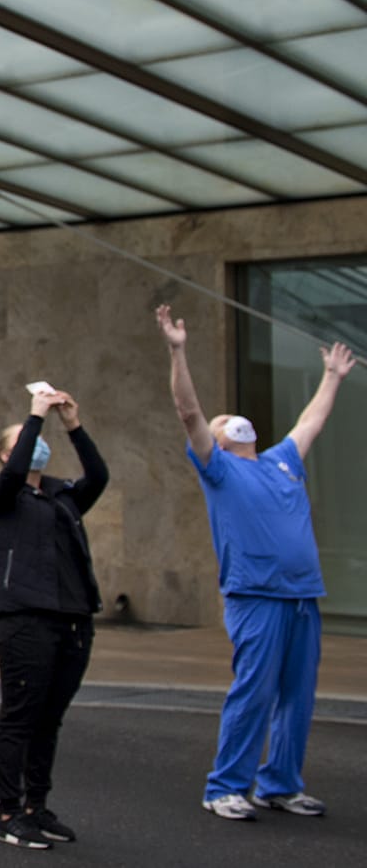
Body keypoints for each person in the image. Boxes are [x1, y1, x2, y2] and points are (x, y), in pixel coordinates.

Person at [157, 304, 348, 822]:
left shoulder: (282, 460)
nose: (230, 419)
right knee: (255, 693)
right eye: (223, 422)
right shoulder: (217, 469)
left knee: (297, 698)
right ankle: (225, 786)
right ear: (218, 440)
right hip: (256, 596)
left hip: (302, 596)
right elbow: (189, 412)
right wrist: (178, 350)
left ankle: (280, 784)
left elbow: (313, 419)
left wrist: (330, 377)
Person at [0, 385, 107, 849]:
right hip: (26, 621)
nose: (36, 447)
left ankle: (37, 805)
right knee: (21, 716)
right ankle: (8, 812)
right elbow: (14, 474)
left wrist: (72, 423)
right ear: (4, 454)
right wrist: (34, 417)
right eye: (24, 442)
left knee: (49, 719)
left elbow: (99, 475)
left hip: (72, 619)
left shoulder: (61, 495)